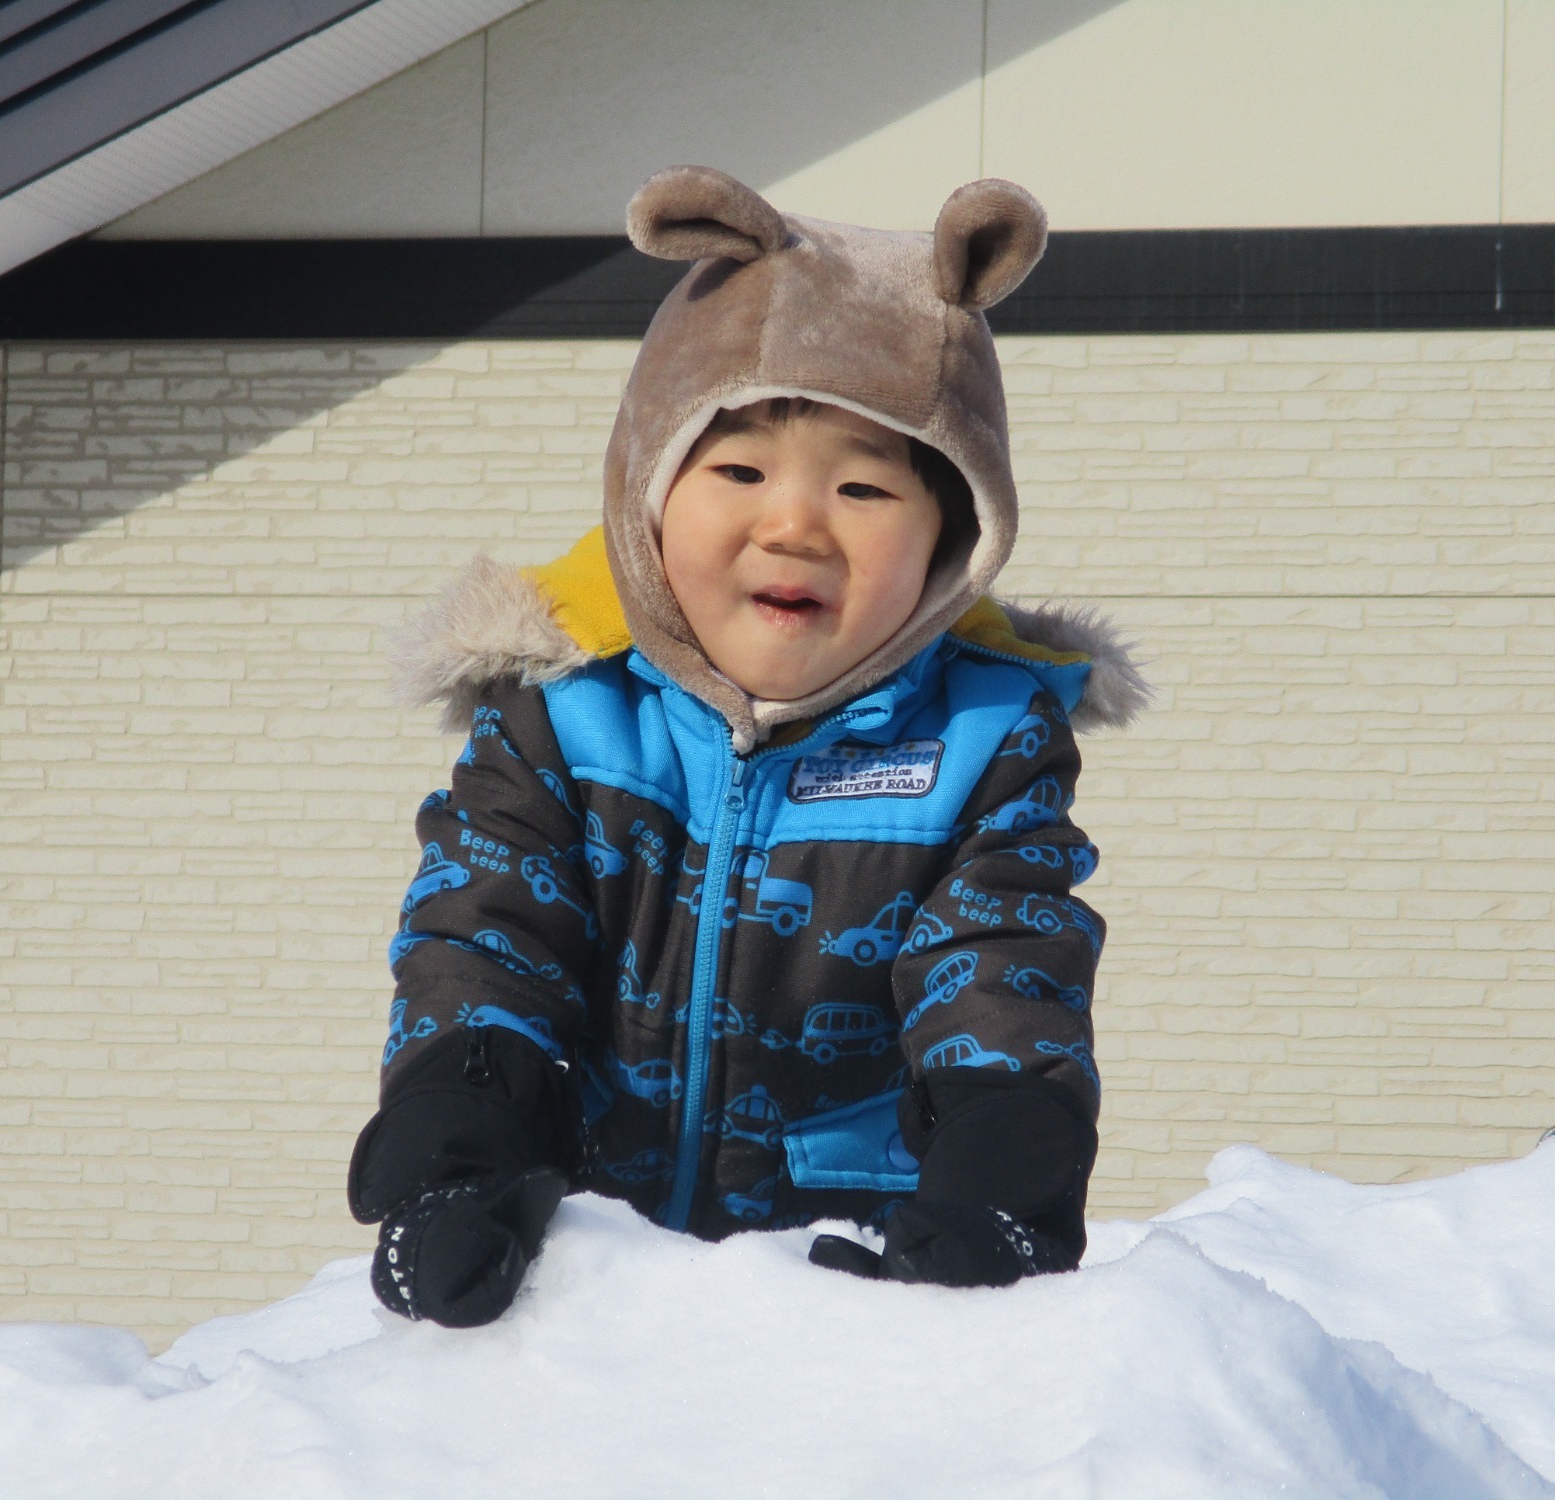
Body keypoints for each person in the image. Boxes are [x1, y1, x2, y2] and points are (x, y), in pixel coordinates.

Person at [347, 166, 1148, 1327]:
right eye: (738, 470)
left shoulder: (978, 748)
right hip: (578, 1279)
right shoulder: (562, 717)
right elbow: (486, 942)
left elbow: (997, 970)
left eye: (866, 489)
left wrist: (995, 1178)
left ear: (947, 545)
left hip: (849, 1296)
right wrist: (456, 1152)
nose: (793, 525)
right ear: (648, 494)